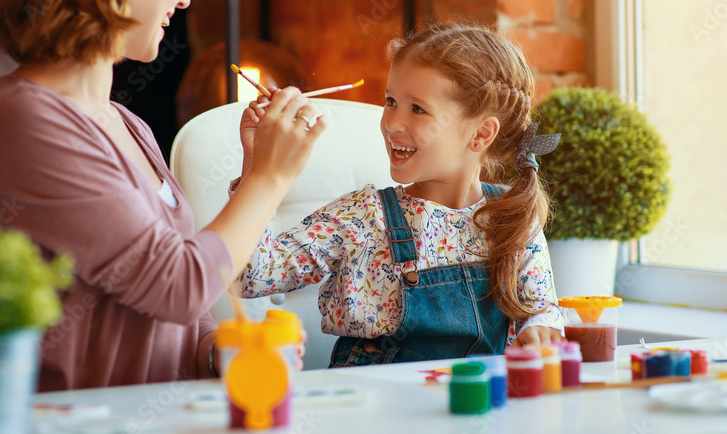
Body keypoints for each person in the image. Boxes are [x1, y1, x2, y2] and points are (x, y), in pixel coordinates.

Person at [0, 0, 326, 391]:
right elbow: (178, 284)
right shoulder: (25, 123)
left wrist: (210, 349)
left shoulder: (127, 124)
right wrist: (268, 179)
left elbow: (167, 297)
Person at [237, 23, 564, 366]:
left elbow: (542, 311)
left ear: (481, 134)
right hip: (375, 410)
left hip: (476, 405)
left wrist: (540, 330)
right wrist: (257, 167)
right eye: (390, 101)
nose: (392, 123)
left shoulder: (513, 218)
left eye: (417, 109)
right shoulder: (364, 216)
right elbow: (251, 275)